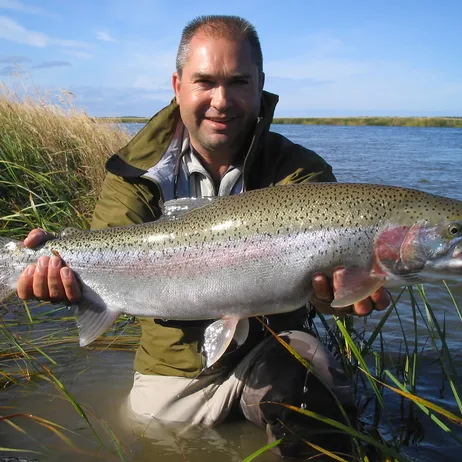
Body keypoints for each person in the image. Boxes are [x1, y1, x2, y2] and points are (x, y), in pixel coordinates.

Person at [17, 15, 390, 458]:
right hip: (171, 369)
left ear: (260, 86)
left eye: (238, 82)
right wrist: (58, 279)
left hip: (272, 356)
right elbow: (104, 258)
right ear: (178, 86)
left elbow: (331, 297)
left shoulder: (302, 173)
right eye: (205, 82)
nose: (222, 100)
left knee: (315, 387)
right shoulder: (132, 173)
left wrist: (338, 299)